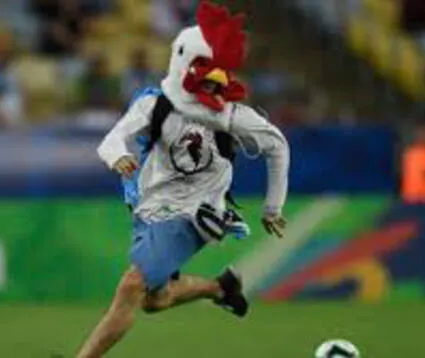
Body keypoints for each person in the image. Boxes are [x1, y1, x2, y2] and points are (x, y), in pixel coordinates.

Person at [76, 2, 289, 357]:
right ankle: (219, 288)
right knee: (153, 300)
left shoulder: (232, 116)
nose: (214, 83)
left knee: (131, 286)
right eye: (205, 73)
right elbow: (112, 140)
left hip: (197, 212)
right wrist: (119, 157)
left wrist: (272, 206)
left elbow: (277, 146)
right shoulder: (155, 106)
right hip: (150, 207)